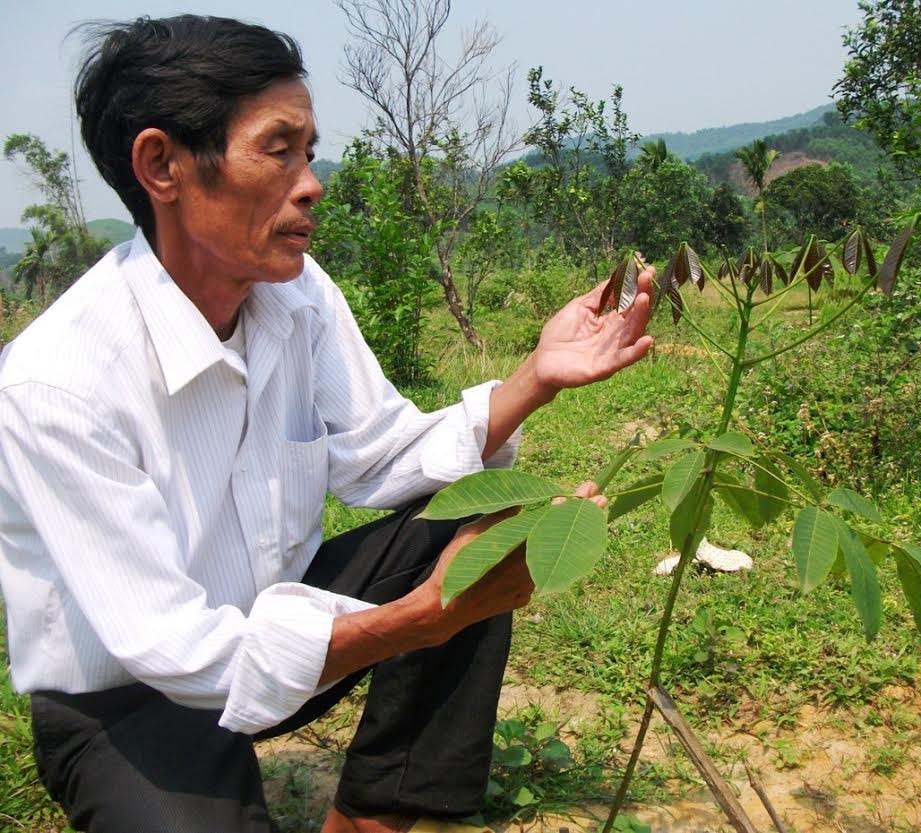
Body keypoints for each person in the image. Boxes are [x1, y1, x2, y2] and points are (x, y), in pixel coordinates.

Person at [0, 15, 654, 833]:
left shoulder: (297, 295)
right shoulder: (56, 383)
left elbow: (382, 457)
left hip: (278, 623)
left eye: (307, 153)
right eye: (279, 150)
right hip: (131, 700)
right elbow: (176, 650)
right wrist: (420, 616)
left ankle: (373, 816)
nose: (311, 182)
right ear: (162, 164)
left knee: (486, 524)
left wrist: (535, 376)